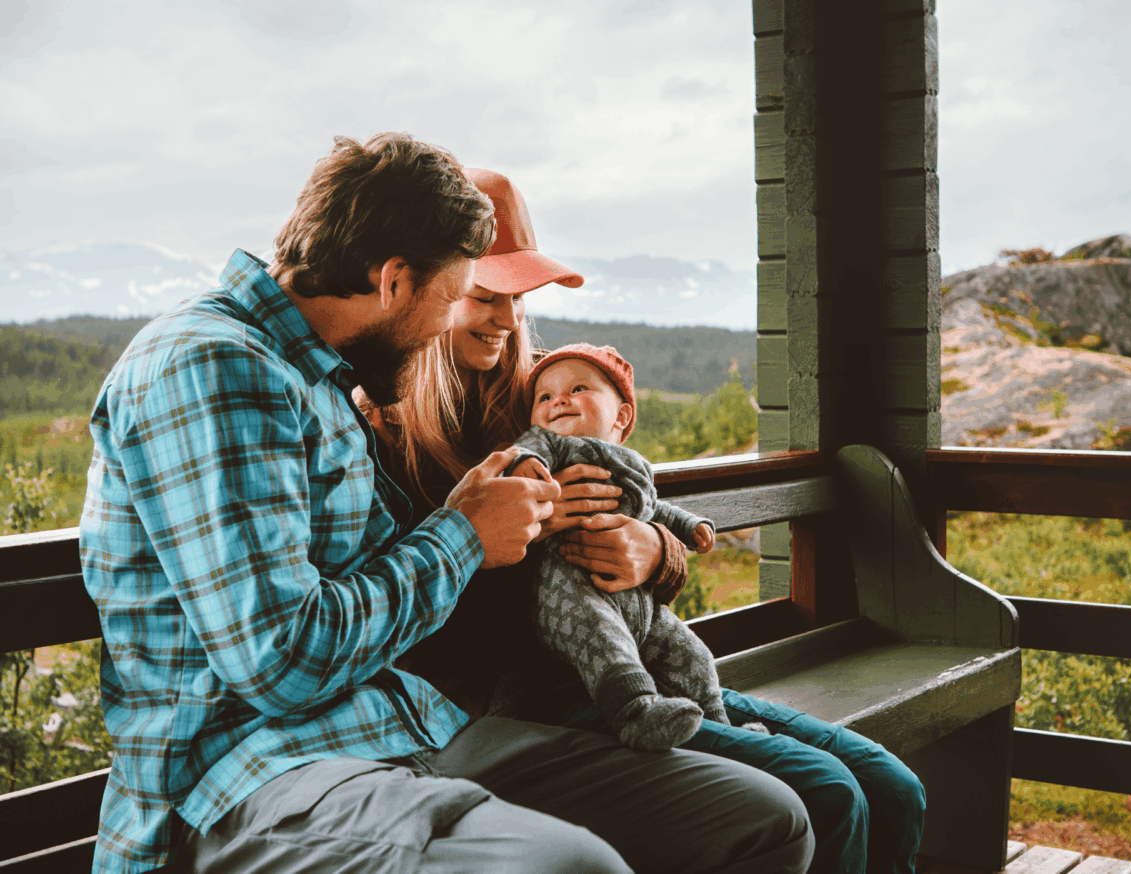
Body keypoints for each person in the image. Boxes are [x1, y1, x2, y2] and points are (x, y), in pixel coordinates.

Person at [79, 136, 812, 874]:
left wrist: (511, 517)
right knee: (569, 869)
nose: (445, 326)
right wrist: (462, 533)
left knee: (764, 822)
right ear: (394, 279)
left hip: (405, 725)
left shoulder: (320, 378)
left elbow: (382, 571)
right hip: (252, 770)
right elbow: (281, 663)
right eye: (455, 295)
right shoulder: (215, 365)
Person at [368, 167, 926, 874]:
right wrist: (510, 539)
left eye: (519, 299)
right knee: (828, 793)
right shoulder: (390, 436)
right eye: (484, 297)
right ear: (436, 290)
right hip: (545, 704)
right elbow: (419, 627)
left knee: (893, 787)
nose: (508, 322)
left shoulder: (541, 394)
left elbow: (639, 506)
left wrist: (655, 550)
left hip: (639, 667)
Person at [508, 342, 769, 750]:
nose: (559, 400)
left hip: (639, 603)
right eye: (545, 396)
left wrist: (686, 527)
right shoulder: (553, 446)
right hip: (568, 586)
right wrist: (523, 468)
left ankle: (721, 722)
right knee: (601, 638)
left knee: (692, 652)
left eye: (578, 390)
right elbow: (522, 453)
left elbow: (653, 509)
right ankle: (635, 712)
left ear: (622, 415)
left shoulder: (633, 464)